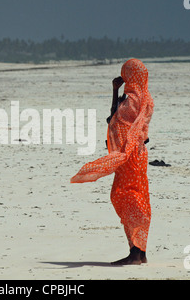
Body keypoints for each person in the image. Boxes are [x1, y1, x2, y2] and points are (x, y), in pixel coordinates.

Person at [71, 59, 154, 265]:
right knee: (135, 196)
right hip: (136, 154)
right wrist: (116, 91)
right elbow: (114, 118)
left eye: (126, 73)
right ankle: (139, 250)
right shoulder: (142, 98)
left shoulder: (135, 100)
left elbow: (114, 119)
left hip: (130, 155)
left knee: (128, 196)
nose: (124, 76)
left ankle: (136, 253)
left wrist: (117, 94)